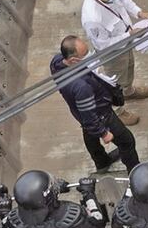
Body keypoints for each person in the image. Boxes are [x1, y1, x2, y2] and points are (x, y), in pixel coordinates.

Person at [51, 35, 140, 172]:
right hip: (101, 114)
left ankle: (102, 162)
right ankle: (135, 173)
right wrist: (104, 133)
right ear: (74, 60)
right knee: (127, 141)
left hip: (79, 110)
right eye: (85, 54)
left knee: (88, 132)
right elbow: (90, 117)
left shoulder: (57, 62)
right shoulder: (82, 87)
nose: (90, 55)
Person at [80, 0, 148, 126]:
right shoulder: (92, 18)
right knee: (115, 81)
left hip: (126, 37)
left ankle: (128, 92)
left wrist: (138, 13)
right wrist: (129, 35)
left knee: (129, 67)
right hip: (112, 51)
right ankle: (118, 111)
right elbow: (103, 44)